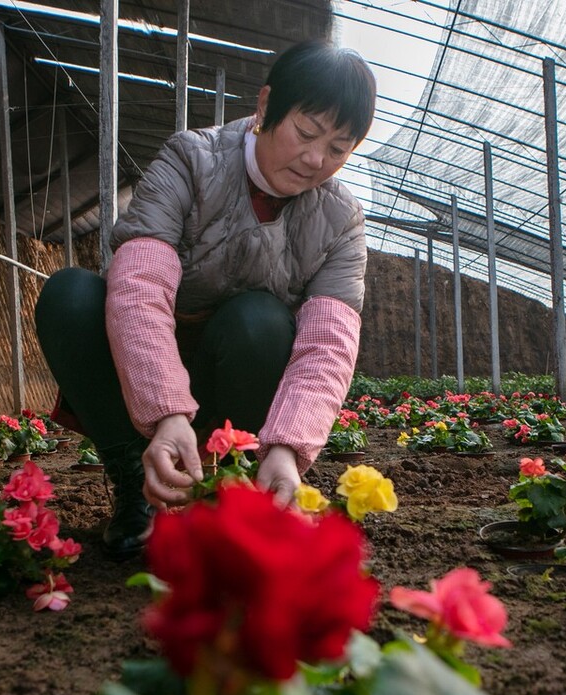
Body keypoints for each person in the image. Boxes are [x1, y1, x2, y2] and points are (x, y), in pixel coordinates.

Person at [34, 41, 376, 559]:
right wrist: (166, 413)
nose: (314, 160)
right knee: (72, 295)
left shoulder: (341, 220)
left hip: (237, 371)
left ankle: (223, 485)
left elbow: (328, 345)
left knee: (260, 320)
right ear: (265, 107)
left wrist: (286, 450)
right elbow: (141, 283)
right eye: (306, 133)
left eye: (338, 148)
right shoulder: (191, 159)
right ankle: (136, 480)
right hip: (145, 362)